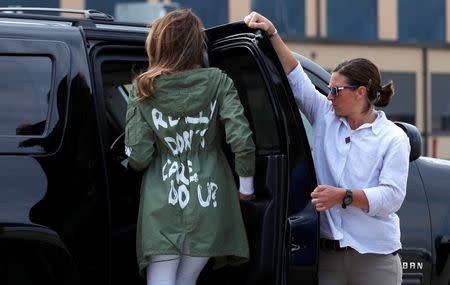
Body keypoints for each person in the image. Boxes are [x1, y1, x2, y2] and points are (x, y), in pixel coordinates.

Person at [244, 12, 410, 285]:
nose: (329, 96)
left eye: (336, 90)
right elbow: (296, 77)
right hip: (329, 256)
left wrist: (343, 196)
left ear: (361, 92)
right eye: (329, 90)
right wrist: (272, 34)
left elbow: (391, 197)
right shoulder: (325, 115)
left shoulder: (392, 137)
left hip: (375, 259)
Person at [125, 9, 256, 285]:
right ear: (196, 45)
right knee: (186, 281)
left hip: (163, 198)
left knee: (160, 279)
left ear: (159, 43)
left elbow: (138, 156)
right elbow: (241, 138)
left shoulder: (143, 88)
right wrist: (246, 187)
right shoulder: (218, 81)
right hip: (211, 195)